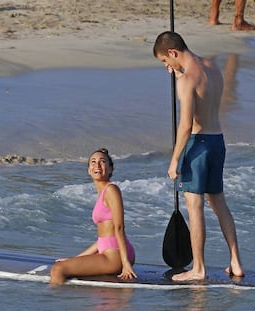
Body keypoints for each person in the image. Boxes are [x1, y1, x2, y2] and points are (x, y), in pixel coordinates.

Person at [153, 31, 244, 281]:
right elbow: (203, 95)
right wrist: (179, 72)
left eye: (164, 61)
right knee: (219, 204)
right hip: (217, 141)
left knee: (195, 207)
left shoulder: (186, 81)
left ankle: (199, 269)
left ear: (172, 52)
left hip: (197, 145)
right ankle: (235, 262)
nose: (166, 66)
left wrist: (174, 160)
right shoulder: (212, 66)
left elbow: (185, 125)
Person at [50, 148, 137, 286]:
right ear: (89, 170)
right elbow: (102, 239)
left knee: (58, 270)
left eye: (102, 162)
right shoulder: (102, 193)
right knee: (63, 266)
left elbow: (119, 227)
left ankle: (52, 302)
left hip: (115, 255)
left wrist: (125, 263)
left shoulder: (111, 190)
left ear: (110, 169)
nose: (97, 165)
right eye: (93, 162)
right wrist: (74, 259)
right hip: (108, 251)